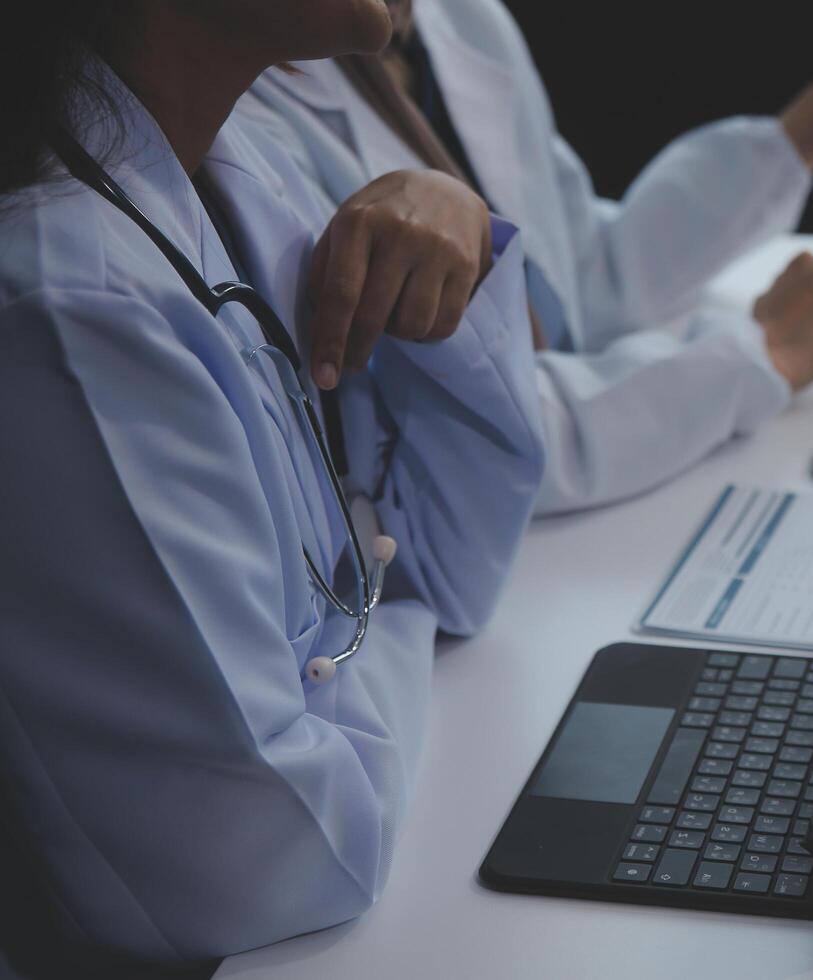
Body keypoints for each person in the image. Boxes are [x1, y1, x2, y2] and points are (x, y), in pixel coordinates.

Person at [0, 2, 544, 973]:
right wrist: (389, 638)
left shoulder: (232, 169)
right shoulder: (68, 300)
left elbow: (446, 565)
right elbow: (262, 858)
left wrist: (454, 225)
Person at [241, 0, 813, 514]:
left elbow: (583, 279)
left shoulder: (460, 20)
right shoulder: (244, 109)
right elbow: (478, 440)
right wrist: (758, 356)